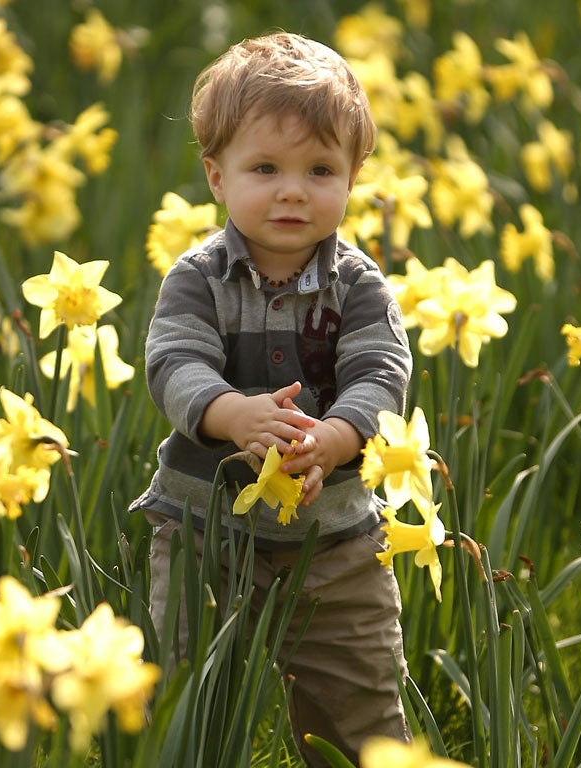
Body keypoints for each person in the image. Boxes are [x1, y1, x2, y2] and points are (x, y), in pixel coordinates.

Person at [129, 31, 413, 766]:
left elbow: (382, 376)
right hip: (204, 535)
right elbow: (173, 363)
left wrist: (338, 439)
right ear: (217, 177)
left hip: (338, 543)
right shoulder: (196, 278)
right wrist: (231, 414)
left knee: (360, 713)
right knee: (183, 696)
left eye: (320, 168)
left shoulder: (362, 286)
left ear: (354, 178)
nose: (293, 189)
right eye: (266, 167)